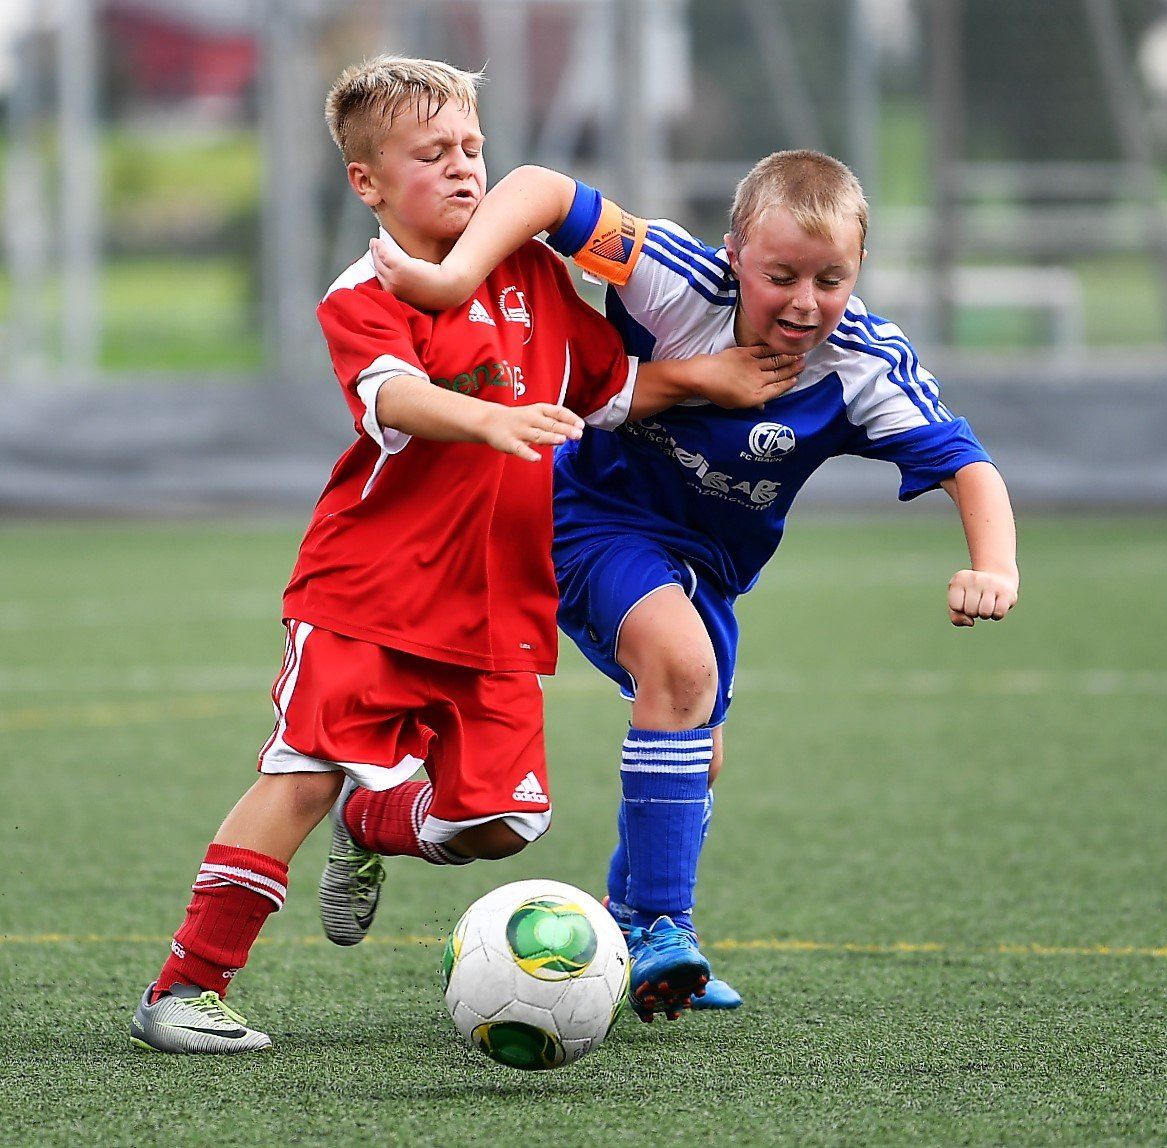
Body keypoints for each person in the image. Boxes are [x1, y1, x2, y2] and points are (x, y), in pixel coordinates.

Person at [127, 57, 804, 1054]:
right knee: (306, 769)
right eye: (431, 153)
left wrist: (715, 374)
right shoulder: (363, 292)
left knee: (502, 823)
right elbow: (390, 396)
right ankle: (185, 985)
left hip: (497, 608)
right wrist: (486, 421)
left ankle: (376, 822)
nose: (461, 168)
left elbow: (610, 388)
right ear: (368, 182)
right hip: (368, 590)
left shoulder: (531, 269)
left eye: (472, 148)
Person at [370, 150, 1020, 1020]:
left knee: (694, 749)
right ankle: (664, 927)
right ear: (732, 254)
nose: (803, 301)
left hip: (706, 571)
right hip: (585, 521)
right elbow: (538, 189)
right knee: (680, 670)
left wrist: (995, 565)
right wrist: (453, 279)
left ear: (858, 271)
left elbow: (966, 465)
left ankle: (625, 918)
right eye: (779, 274)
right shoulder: (674, 278)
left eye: (830, 280)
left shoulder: (865, 361)